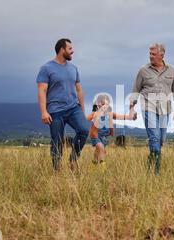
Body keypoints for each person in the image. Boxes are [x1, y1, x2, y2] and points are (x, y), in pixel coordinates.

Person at [36, 38, 90, 171]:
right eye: (70, 48)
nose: (72, 51)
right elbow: (42, 90)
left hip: (73, 108)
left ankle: (73, 159)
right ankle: (57, 171)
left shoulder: (74, 68)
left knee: (84, 130)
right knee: (57, 142)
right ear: (62, 49)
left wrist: (82, 111)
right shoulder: (46, 68)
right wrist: (44, 112)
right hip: (55, 111)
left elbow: (79, 89)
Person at [129, 43, 174, 175]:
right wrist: (131, 109)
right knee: (155, 137)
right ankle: (155, 173)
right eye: (150, 54)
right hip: (148, 107)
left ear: (161, 55)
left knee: (161, 140)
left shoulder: (172, 70)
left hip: (165, 109)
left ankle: (151, 164)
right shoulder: (143, 70)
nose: (150, 56)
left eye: (153, 54)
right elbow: (135, 90)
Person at [87, 94, 137, 166]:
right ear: (98, 105)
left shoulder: (110, 114)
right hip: (95, 136)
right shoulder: (95, 113)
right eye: (103, 104)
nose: (105, 106)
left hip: (103, 136)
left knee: (98, 150)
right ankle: (102, 168)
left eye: (107, 104)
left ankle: (94, 164)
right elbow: (86, 120)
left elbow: (121, 117)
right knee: (101, 149)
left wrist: (131, 117)